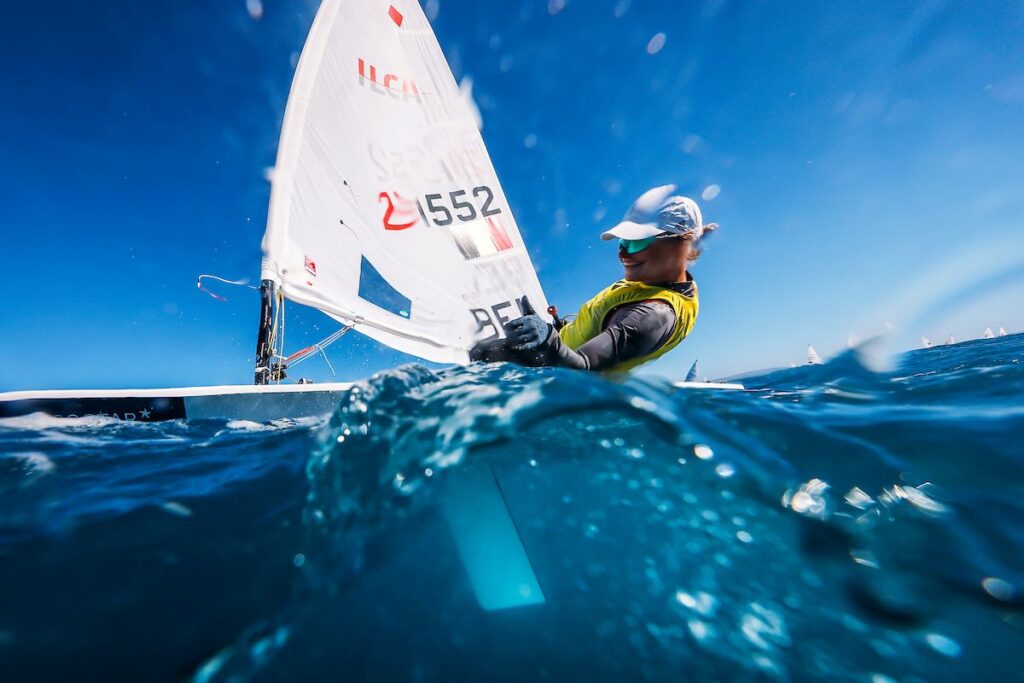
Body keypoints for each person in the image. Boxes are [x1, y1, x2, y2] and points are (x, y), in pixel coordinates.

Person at [470, 184, 716, 372]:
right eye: (623, 241)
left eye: (636, 241)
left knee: (480, 352)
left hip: (554, 375)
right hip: (552, 355)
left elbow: (583, 368)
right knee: (480, 350)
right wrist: (558, 329)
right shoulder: (654, 278)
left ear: (679, 246)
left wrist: (546, 339)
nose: (622, 253)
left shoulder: (653, 316)